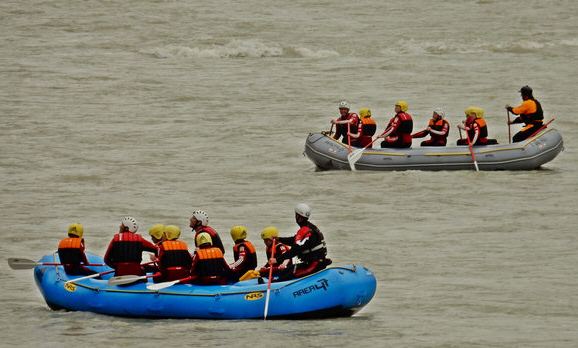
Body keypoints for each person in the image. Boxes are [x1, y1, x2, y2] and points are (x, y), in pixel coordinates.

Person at [269, 203, 330, 281]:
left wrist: (277, 260)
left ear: (299, 218)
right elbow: (294, 240)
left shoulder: (304, 230)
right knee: (285, 271)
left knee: (288, 275)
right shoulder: (311, 227)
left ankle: (276, 285)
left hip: (314, 264)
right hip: (312, 262)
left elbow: (294, 250)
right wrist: (279, 239)